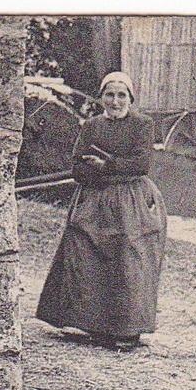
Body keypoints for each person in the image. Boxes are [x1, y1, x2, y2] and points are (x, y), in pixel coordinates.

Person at [35, 71, 168, 350]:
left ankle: (127, 329)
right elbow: (78, 167)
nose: (115, 101)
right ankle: (93, 324)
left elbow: (140, 164)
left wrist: (106, 164)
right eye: (110, 95)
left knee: (128, 259)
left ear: (130, 98)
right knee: (85, 254)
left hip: (131, 201)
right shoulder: (92, 126)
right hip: (95, 199)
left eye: (121, 95)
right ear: (101, 98)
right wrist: (97, 169)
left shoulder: (142, 125)